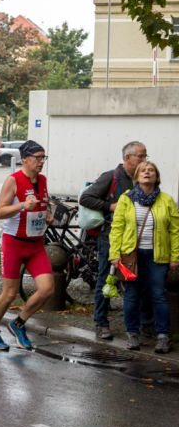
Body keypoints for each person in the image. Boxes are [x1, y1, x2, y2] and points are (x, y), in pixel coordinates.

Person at [0, 141, 54, 351]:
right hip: (14, 242)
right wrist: (22, 205)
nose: (42, 162)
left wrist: (47, 214)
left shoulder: (42, 180)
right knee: (9, 293)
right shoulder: (13, 181)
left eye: (44, 158)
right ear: (25, 159)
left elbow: (42, 205)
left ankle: (18, 323)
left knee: (47, 289)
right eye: (38, 157)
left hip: (36, 245)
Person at [108, 161, 179, 353]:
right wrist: (115, 254)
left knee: (158, 295)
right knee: (131, 295)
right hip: (132, 255)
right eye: (143, 170)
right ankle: (132, 334)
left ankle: (163, 336)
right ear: (137, 176)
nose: (147, 173)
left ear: (156, 177)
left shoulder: (166, 200)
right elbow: (117, 228)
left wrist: (175, 256)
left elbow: (175, 230)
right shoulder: (126, 199)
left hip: (158, 256)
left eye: (151, 170)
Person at [79, 141, 144, 340]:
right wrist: (110, 206)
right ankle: (101, 323)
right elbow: (86, 198)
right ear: (128, 158)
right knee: (107, 278)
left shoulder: (140, 178)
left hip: (132, 238)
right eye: (141, 156)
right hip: (109, 237)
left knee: (133, 279)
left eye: (145, 156)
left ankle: (138, 324)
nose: (144, 160)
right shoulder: (112, 176)